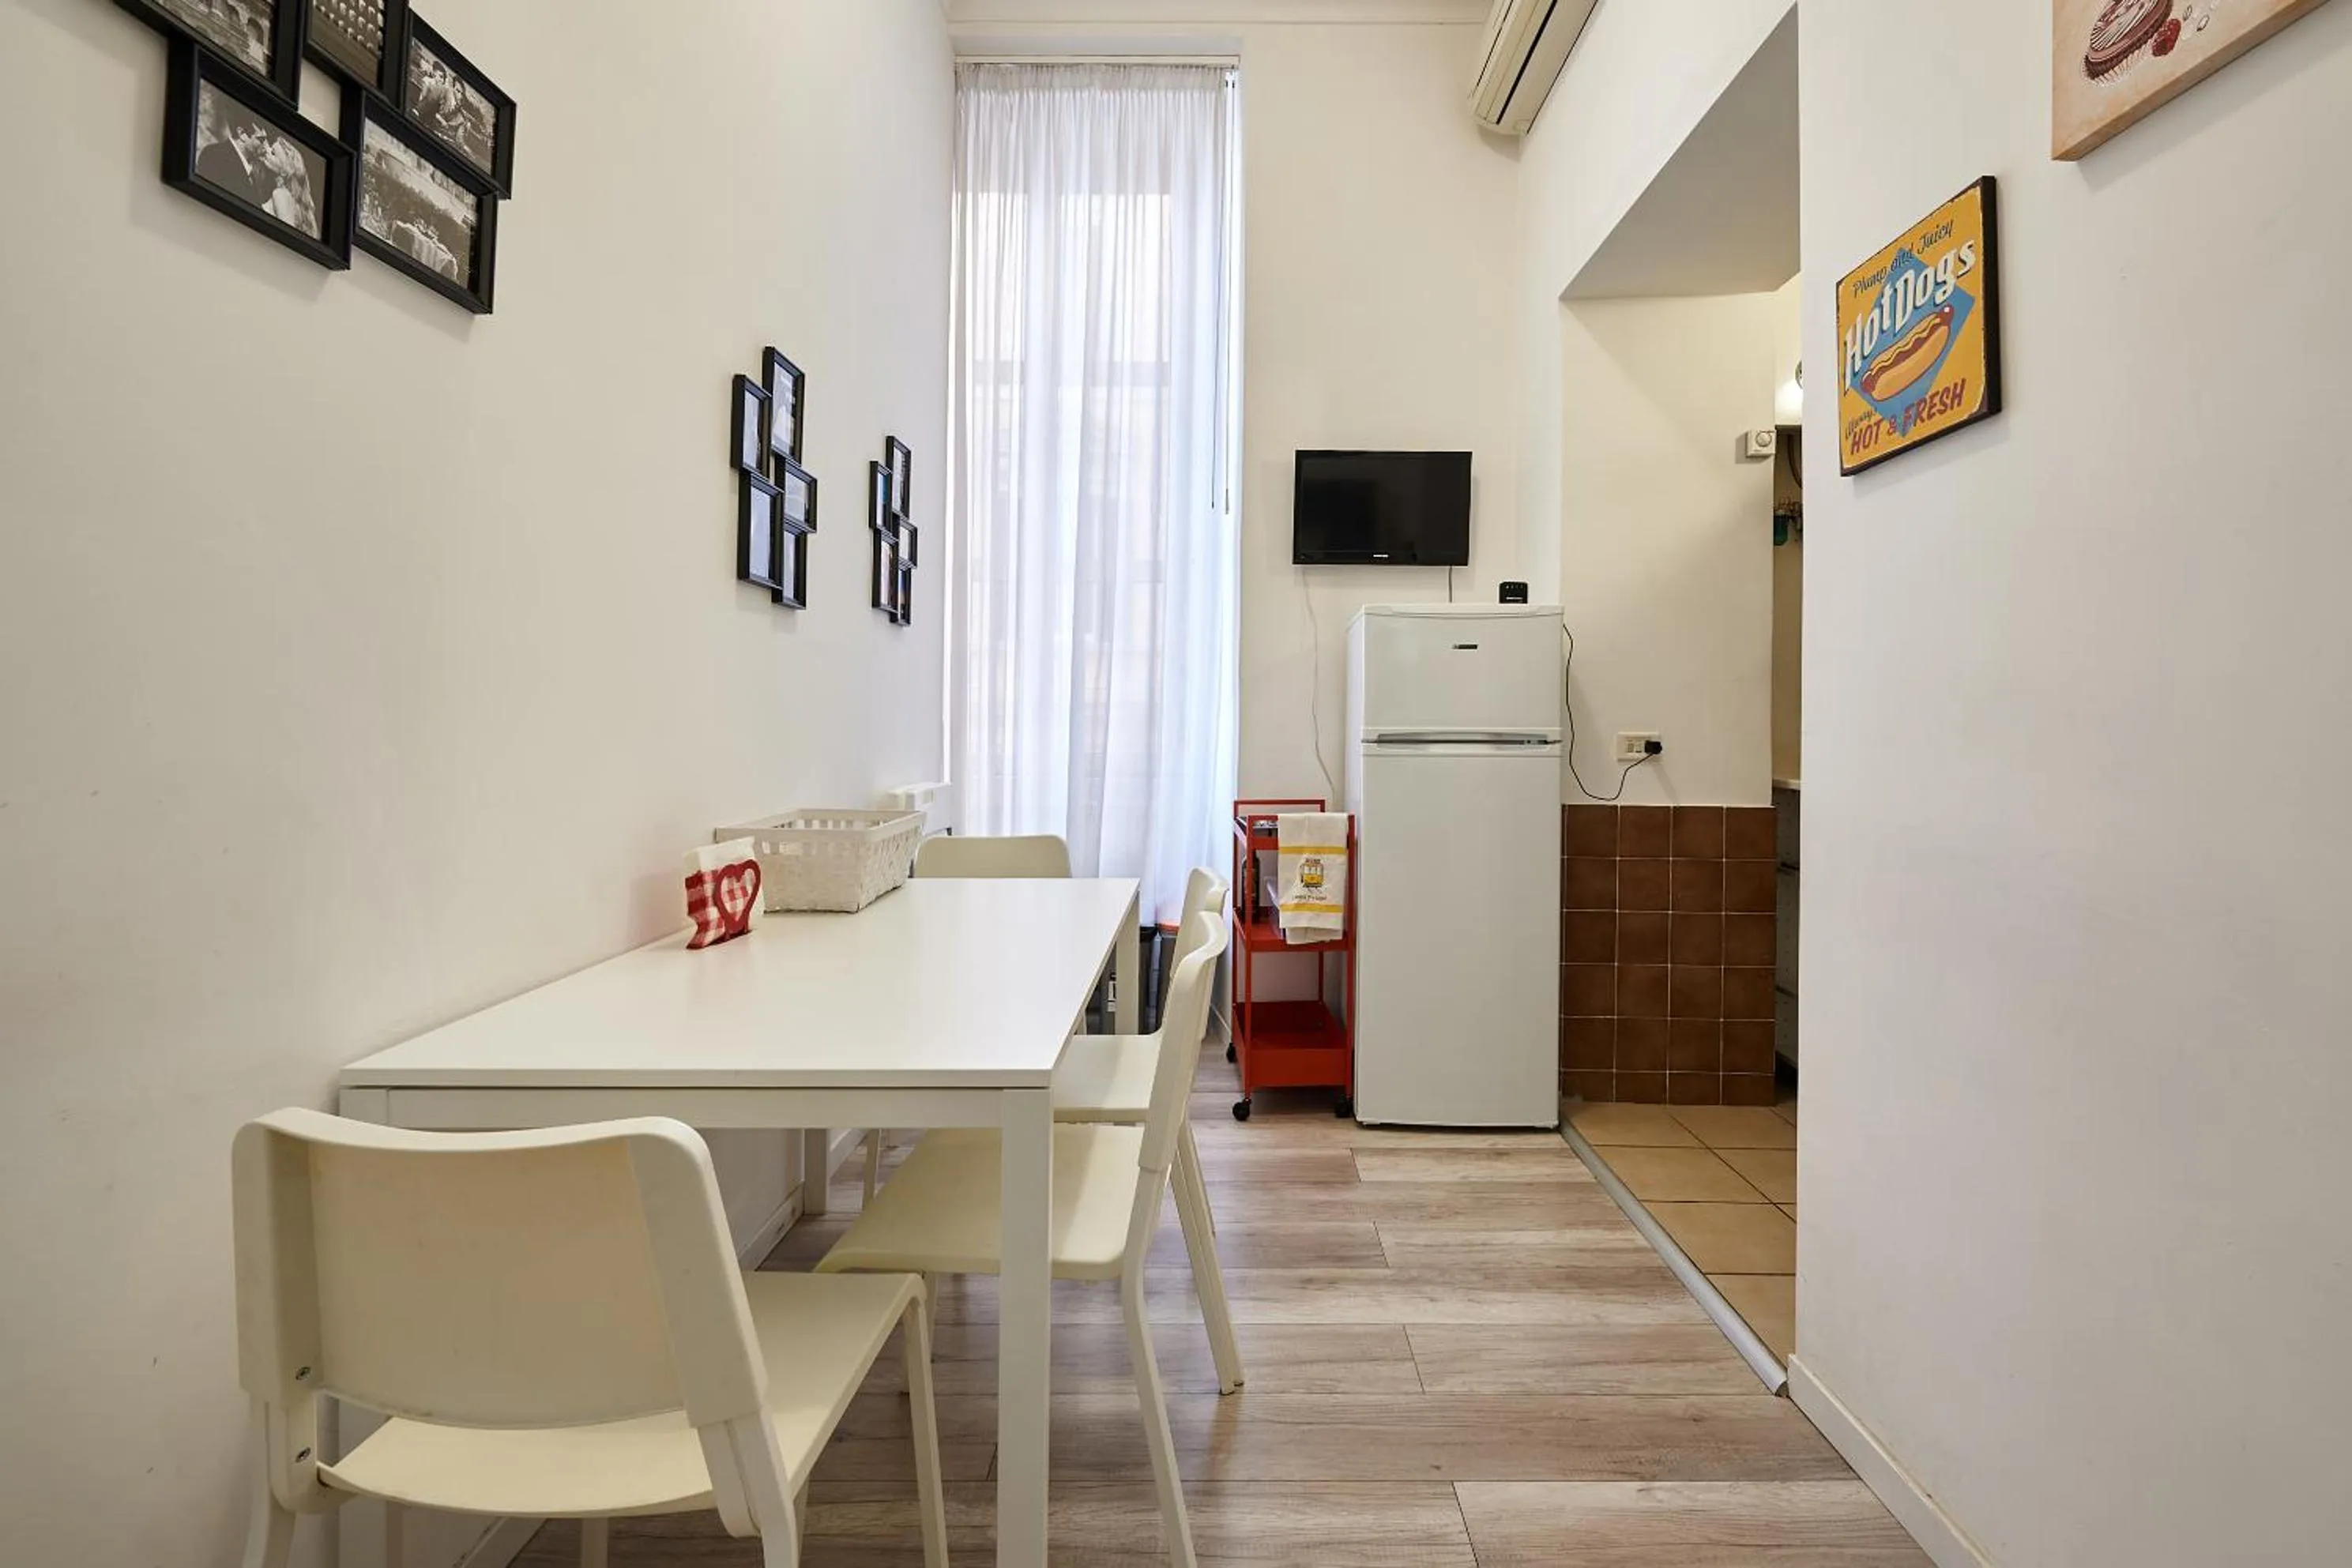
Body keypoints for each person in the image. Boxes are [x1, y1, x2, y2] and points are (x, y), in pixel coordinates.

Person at [195, 115, 271, 207]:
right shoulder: (215, 155)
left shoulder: (250, 170)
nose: (266, 148)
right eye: (261, 140)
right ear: (242, 133)